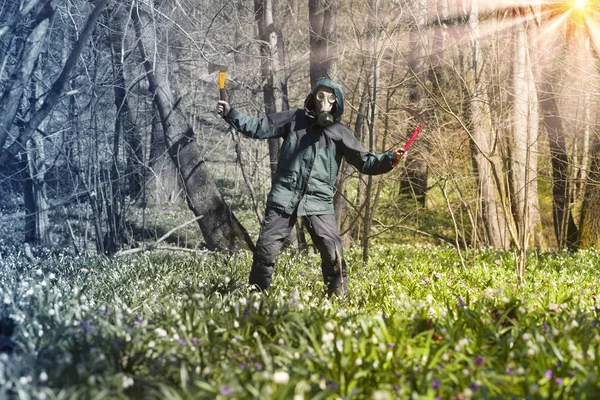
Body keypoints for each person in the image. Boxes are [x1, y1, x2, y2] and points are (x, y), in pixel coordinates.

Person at [217, 78, 406, 296]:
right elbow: (258, 127)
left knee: (332, 252)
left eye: (330, 97)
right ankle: (255, 299)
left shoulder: (339, 132)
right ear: (313, 98)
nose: (325, 102)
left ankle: (337, 301)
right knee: (265, 251)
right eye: (320, 96)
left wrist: (390, 158)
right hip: (284, 196)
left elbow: (366, 162)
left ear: (336, 103)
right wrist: (231, 113)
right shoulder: (294, 119)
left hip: (319, 201)